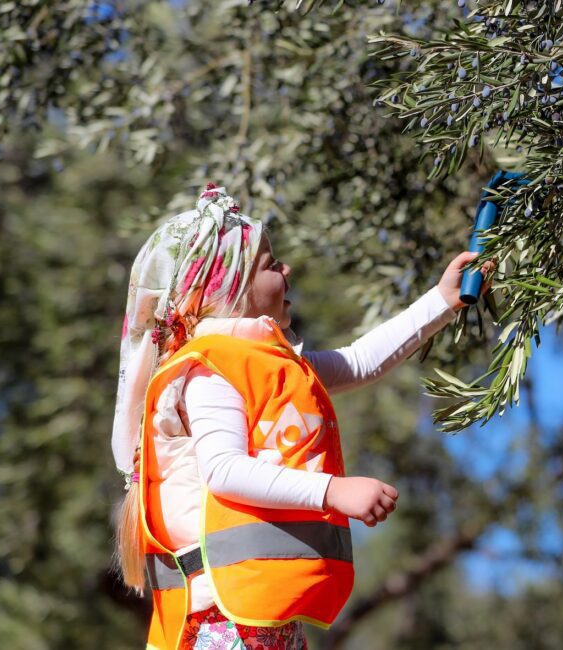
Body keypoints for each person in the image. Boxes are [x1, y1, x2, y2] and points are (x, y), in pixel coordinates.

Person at [111, 184, 492, 649]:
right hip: (224, 622)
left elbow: (359, 361)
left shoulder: (267, 362)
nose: (287, 269)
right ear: (230, 287)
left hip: (254, 616)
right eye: (272, 264)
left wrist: (442, 301)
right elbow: (224, 471)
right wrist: (334, 491)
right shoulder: (210, 370)